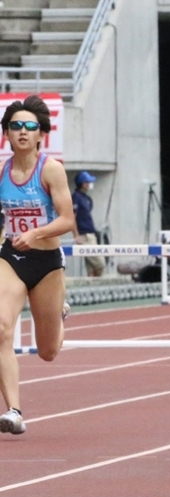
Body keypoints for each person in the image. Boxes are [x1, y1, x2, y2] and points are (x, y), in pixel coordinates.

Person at [0, 94, 75, 435]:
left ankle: (59, 314)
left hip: (46, 261)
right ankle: (14, 410)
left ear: (41, 134)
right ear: (7, 134)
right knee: (1, 328)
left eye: (30, 126)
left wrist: (36, 234)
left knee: (48, 352)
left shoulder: (51, 170)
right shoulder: (2, 170)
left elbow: (68, 220)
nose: (23, 132)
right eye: (16, 126)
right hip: (11, 258)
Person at [71, 170, 105, 277]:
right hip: (84, 236)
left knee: (91, 268)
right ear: (83, 183)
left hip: (91, 234)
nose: (89, 184)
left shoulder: (87, 198)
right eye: (87, 182)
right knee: (100, 264)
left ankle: (94, 289)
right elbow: (72, 217)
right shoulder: (76, 197)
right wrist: (76, 235)